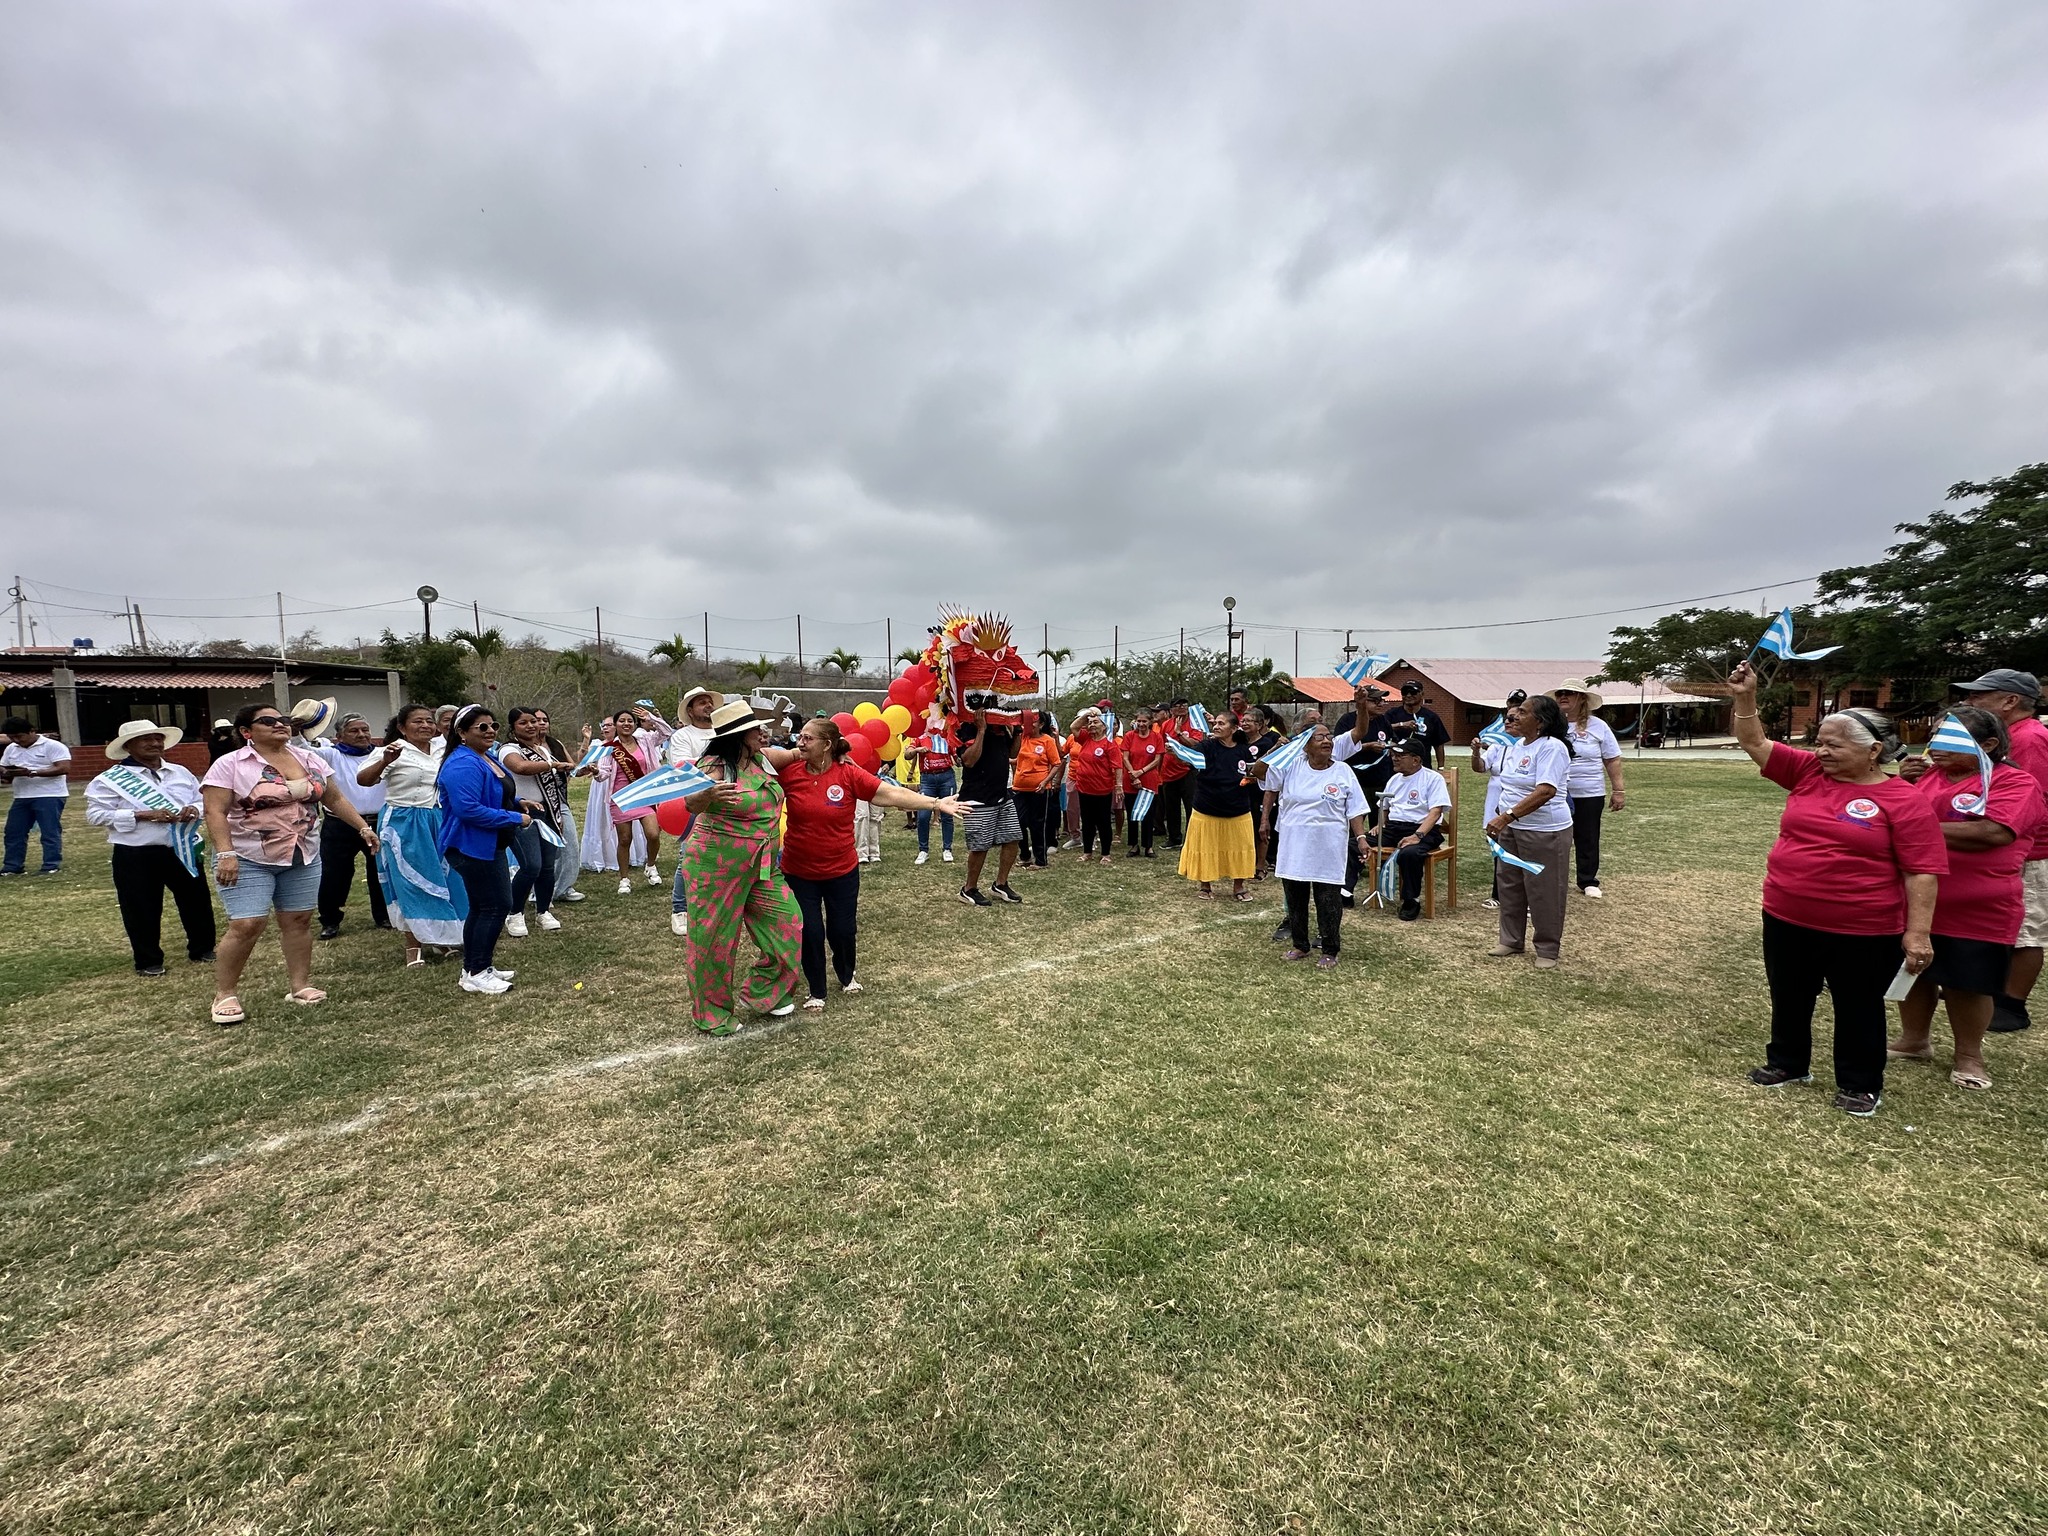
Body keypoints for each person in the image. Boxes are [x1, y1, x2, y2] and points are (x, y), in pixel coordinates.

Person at [1726, 662, 1947, 1117]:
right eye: (1820, 742)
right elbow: (1754, 742)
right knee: (1789, 993)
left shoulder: (1904, 800)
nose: (1821, 751)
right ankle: (1788, 1063)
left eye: (1834, 745)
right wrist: (1745, 697)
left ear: (1874, 751)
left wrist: (1918, 933)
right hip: (1786, 913)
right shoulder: (1809, 772)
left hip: (1863, 926)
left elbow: (1922, 871)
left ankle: (1860, 1083)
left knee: (1858, 1004)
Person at [1890, 707, 2045, 1089]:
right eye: (1935, 736)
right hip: (1918, 897)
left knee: (1968, 982)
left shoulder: (2015, 782)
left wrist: (1912, 826)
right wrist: (1902, 785)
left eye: (1949, 739)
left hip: (1978, 903)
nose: (1934, 746)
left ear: (1988, 745)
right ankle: (1914, 1040)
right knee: (1914, 969)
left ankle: (1969, 1057)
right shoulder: (1928, 777)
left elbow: (1994, 833)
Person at [769, 717, 966, 1009]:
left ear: (827, 744)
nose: (801, 741)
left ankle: (847, 975)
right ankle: (817, 991)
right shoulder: (790, 772)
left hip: (841, 870)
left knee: (842, 930)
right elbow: (760, 756)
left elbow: (890, 793)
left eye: (808, 738)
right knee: (810, 931)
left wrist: (935, 803)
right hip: (799, 871)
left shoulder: (848, 773)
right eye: (801, 737)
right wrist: (797, 753)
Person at [201, 702, 380, 1025]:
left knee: (298, 920)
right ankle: (225, 994)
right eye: (268, 721)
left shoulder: (308, 758)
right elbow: (215, 811)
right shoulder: (230, 764)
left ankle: (300, 986)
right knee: (247, 924)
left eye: (282, 719)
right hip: (248, 855)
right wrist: (225, 853)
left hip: (303, 853)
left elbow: (334, 798)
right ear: (246, 732)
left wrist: (362, 828)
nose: (280, 724)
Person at [677, 700, 805, 1035]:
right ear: (737, 736)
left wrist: (834, 754)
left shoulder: (762, 758)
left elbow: (798, 754)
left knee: (788, 922)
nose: (761, 732)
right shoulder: (715, 766)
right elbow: (691, 802)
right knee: (714, 941)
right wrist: (708, 797)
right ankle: (712, 1013)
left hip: (762, 864)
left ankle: (764, 992)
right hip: (716, 865)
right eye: (753, 729)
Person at [1945, 670, 2048, 1033]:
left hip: (2030, 849)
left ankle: (2012, 1005)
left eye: (1978, 696)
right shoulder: (2012, 734)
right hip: (2008, 845)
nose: (1969, 702)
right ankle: (1987, 989)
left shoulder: (2028, 738)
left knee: (2026, 931)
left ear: (2010, 701)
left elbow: (2029, 795)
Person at [84, 718, 215, 975]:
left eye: (158, 738)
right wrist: (140, 815)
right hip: (136, 852)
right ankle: (148, 960)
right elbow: (96, 815)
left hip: (182, 846)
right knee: (141, 907)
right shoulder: (109, 779)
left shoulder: (180, 772)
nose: (155, 743)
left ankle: (203, 948)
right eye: (146, 739)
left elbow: (203, 801)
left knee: (196, 900)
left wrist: (193, 809)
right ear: (128, 746)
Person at [1249, 725, 1369, 965]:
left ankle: (1330, 949)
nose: (1327, 741)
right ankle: (1300, 945)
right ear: (1305, 745)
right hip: (1294, 843)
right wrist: (1276, 751)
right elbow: (1258, 771)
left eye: (1329, 737)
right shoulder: (1291, 766)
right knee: (1295, 897)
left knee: (1328, 898)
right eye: (1319, 737)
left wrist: (1361, 838)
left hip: (1328, 844)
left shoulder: (1343, 771)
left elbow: (1355, 809)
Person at [359, 704, 467, 967]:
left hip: (438, 819)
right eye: (418, 721)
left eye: (429, 721)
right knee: (411, 883)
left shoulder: (443, 749)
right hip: (405, 821)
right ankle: (413, 945)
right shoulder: (392, 751)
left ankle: (443, 938)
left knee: (445, 879)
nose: (425, 726)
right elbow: (364, 780)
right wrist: (385, 762)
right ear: (402, 727)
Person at [435, 704, 533, 995]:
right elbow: (468, 809)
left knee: (483, 906)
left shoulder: (483, 756)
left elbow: (494, 793)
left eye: (493, 726)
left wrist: (518, 803)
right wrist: (515, 818)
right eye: (482, 727)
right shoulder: (462, 763)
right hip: (471, 845)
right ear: (462, 732)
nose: (490, 731)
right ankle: (478, 971)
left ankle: (475, 967)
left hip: (489, 844)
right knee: (495, 906)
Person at [1473, 695, 1574, 968]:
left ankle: (1547, 949)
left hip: (1544, 830)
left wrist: (1506, 816)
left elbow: (1546, 791)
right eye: (1516, 711)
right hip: (1511, 828)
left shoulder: (1552, 748)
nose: (1514, 716)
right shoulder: (1519, 745)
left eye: (1523, 712)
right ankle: (1511, 940)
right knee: (1510, 885)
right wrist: (1503, 816)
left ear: (1540, 721)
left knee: (1545, 889)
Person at [500, 705, 574, 937]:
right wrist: (552, 764)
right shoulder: (509, 749)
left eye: (533, 721)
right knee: (531, 865)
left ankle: (543, 910)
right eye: (523, 723)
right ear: (513, 727)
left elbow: (557, 777)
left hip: (548, 811)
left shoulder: (541, 749)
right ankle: (515, 913)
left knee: (547, 866)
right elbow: (520, 767)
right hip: (522, 813)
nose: (531, 726)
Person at [314, 713, 390, 939]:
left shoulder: (381, 755)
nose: (361, 734)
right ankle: (330, 919)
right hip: (340, 823)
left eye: (365, 730)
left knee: (380, 870)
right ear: (339, 736)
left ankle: (384, 915)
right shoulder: (330, 755)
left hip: (377, 821)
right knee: (334, 872)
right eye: (354, 731)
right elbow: (301, 750)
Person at [1549, 681, 1626, 898]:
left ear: (1582, 698)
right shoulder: (1550, 726)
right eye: (1560, 693)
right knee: (1554, 837)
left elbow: (1612, 759)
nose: (1563, 696)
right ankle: (1553, 879)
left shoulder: (1598, 726)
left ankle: (1588, 880)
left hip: (1589, 791)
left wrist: (1618, 790)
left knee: (1588, 837)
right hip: (1556, 792)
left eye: (1569, 693)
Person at [1371, 737, 1453, 921]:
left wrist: (1417, 835)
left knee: (1410, 853)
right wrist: (1380, 824)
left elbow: (1436, 812)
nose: (1394, 758)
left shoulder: (1433, 779)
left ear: (1416, 760)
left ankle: (1411, 900)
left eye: (1400, 755)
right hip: (1394, 827)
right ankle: (1345, 892)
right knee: (1356, 843)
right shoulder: (1394, 779)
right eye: (1393, 754)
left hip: (1423, 829)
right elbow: (1384, 807)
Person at [1180, 709, 1258, 900]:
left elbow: (1252, 775)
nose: (1216, 726)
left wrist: (1250, 779)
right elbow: (1190, 761)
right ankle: (1205, 886)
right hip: (1206, 807)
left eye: (1221, 723)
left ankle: (1239, 887)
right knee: (1206, 848)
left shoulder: (1244, 750)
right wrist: (1176, 752)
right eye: (1215, 723)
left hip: (1238, 809)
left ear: (1234, 728)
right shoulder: (1206, 746)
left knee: (1241, 847)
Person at [662, 687, 720, 932]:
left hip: (723, 800)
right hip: (695, 800)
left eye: (709, 701)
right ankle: (680, 909)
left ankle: (712, 903)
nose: (708, 705)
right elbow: (684, 767)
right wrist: (718, 767)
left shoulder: (722, 731)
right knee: (689, 854)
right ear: (690, 710)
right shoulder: (682, 736)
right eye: (701, 703)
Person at [955, 709, 1024, 906]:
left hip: (1002, 794)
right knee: (980, 846)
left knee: (1012, 838)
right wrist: (981, 730)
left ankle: (1000, 884)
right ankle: (968, 889)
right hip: (977, 797)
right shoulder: (966, 727)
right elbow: (969, 761)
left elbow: (1012, 753)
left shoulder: (1000, 726)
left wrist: (1017, 731)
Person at [599, 706, 664, 894]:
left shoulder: (645, 740)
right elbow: (603, 773)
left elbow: (666, 733)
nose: (626, 724)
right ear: (615, 725)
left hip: (643, 795)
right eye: (622, 721)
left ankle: (650, 865)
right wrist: (595, 772)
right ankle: (624, 879)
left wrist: (652, 718)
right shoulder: (609, 748)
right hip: (621, 798)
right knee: (625, 839)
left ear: (635, 724)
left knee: (653, 834)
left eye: (630, 721)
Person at [1, 716, 70, 875]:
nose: (16, 740)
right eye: (12, 737)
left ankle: (51, 865)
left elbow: (63, 768)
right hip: (22, 795)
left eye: (19, 736)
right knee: (14, 832)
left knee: (49, 831)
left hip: (50, 794)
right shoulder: (12, 748)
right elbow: (3, 765)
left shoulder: (53, 746)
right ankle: (12, 866)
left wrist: (33, 772)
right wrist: (6, 772)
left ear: (32, 731)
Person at [532, 708, 585, 904]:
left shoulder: (555, 744)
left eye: (545, 720)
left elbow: (571, 768)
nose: (541, 723)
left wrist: (584, 769)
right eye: (537, 720)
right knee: (544, 850)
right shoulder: (522, 748)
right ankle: (538, 890)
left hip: (560, 802)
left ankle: (564, 888)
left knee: (570, 845)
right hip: (537, 804)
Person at [1064, 708, 1119, 862]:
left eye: (1096, 722)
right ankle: (1087, 852)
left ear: (1104, 726)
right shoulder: (1085, 739)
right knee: (1087, 821)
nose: (1092, 725)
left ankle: (1106, 854)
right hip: (1084, 788)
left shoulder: (1109, 744)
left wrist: (1119, 786)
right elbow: (1074, 727)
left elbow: (1117, 767)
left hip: (1102, 790)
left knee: (1103, 822)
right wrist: (1087, 715)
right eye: (1090, 723)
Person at [1011, 710, 1063, 869]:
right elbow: (1017, 758)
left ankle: (1041, 860)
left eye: (1033, 721)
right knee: (1019, 823)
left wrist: (1046, 781)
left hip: (1040, 789)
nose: (1029, 724)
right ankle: (1025, 855)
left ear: (1041, 724)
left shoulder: (1047, 741)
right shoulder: (1023, 738)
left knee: (1037, 824)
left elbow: (1056, 763)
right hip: (1019, 787)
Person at [909, 706, 958, 865]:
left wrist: (959, 757)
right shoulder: (920, 735)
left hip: (946, 776)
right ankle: (923, 850)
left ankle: (947, 849)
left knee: (947, 815)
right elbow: (907, 754)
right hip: (927, 779)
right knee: (923, 815)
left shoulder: (945, 734)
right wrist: (917, 749)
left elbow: (956, 757)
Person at [1155, 700, 1200, 849]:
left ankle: (1192, 840)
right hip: (1168, 772)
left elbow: (1195, 744)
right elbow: (1161, 748)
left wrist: (1179, 733)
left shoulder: (1194, 723)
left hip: (1188, 771)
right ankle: (1174, 839)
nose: (1181, 708)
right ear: (1171, 710)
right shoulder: (1166, 725)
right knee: (1171, 808)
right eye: (1177, 706)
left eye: (1184, 705)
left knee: (1190, 807)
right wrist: (1158, 771)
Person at [1121, 707, 1164, 858]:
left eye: (1144, 721)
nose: (1141, 724)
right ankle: (1134, 845)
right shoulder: (1129, 736)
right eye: (1139, 721)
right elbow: (1125, 757)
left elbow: (1157, 759)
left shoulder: (1156, 737)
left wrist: (1141, 771)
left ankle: (1148, 846)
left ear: (1150, 722)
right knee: (1132, 813)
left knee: (1148, 814)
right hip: (1131, 779)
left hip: (1149, 780)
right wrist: (1134, 774)